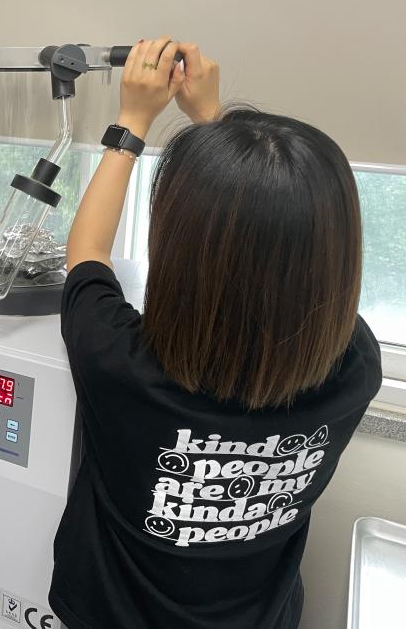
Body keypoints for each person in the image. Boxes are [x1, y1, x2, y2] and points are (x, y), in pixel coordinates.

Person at [50, 38, 383, 628]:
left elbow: (87, 253)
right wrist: (213, 119)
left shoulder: (117, 360)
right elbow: (282, 259)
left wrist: (133, 121)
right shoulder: (355, 367)